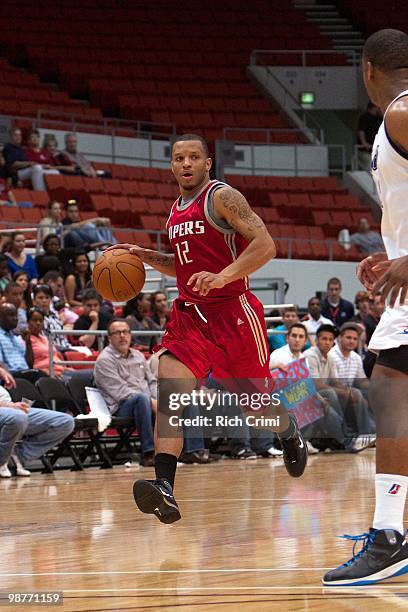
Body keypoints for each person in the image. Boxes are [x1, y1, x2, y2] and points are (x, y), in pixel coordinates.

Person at [106, 133, 307, 524]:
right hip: (190, 319)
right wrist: (146, 257)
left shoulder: (222, 197)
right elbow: (181, 265)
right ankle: (164, 485)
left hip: (233, 315)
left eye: (193, 157)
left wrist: (223, 276)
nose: (185, 164)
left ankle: (287, 430)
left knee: (256, 407)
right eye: (179, 158)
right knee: (171, 394)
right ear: (171, 165)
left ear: (207, 163)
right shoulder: (174, 210)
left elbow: (266, 245)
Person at [323, 29, 408, 586]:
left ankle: (388, 536)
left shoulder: (403, 113)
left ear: (367, 69)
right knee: (394, 394)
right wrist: (392, 250)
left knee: (390, 393)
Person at [94, 318, 155, 466]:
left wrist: (158, 398)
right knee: (141, 399)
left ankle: (191, 451)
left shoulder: (138, 355)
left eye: (125, 332)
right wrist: (150, 401)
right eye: (117, 333)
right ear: (109, 338)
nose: (122, 336)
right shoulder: (104, 360)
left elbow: (152, 381)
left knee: (176, 396)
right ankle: (149, 453)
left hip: (147, 402)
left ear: (130, 335)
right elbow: (120, 392)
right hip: (121, 407)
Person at [0, 375, 74, 478]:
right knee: (18, 417)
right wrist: (8, 406)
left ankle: (15, 457)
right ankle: (2, 461)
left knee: (65, 422)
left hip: (9, 406)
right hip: (7, 408)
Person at [24, 307, 72, 379]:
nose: (38, 323)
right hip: (47, 374)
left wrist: (65, 368)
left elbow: (54, 357)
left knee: (89, 375)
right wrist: (44, 372)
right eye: (34, 320)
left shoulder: (45, 338)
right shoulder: (24, 340)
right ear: (28, 322)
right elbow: (28, 365)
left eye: (41, 320)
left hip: (62, 371)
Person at [2, 127, 50, 191]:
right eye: (15, 135)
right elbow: (13, 164)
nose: (18, 137)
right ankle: (40, 193)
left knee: (51, 171)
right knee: (37, 168)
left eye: (20, 135)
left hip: (24, 171)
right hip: (14, 173)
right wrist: (29, 163)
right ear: (11, 137)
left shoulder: (21, 148)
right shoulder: (8, 148)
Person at [357, 102, 383, 170]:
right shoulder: (364, 117)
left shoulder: (379, 118)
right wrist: (364, 143)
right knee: (370, 168)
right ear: (374, 107)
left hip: (376, 150)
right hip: (366, 150)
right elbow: (361, 131)